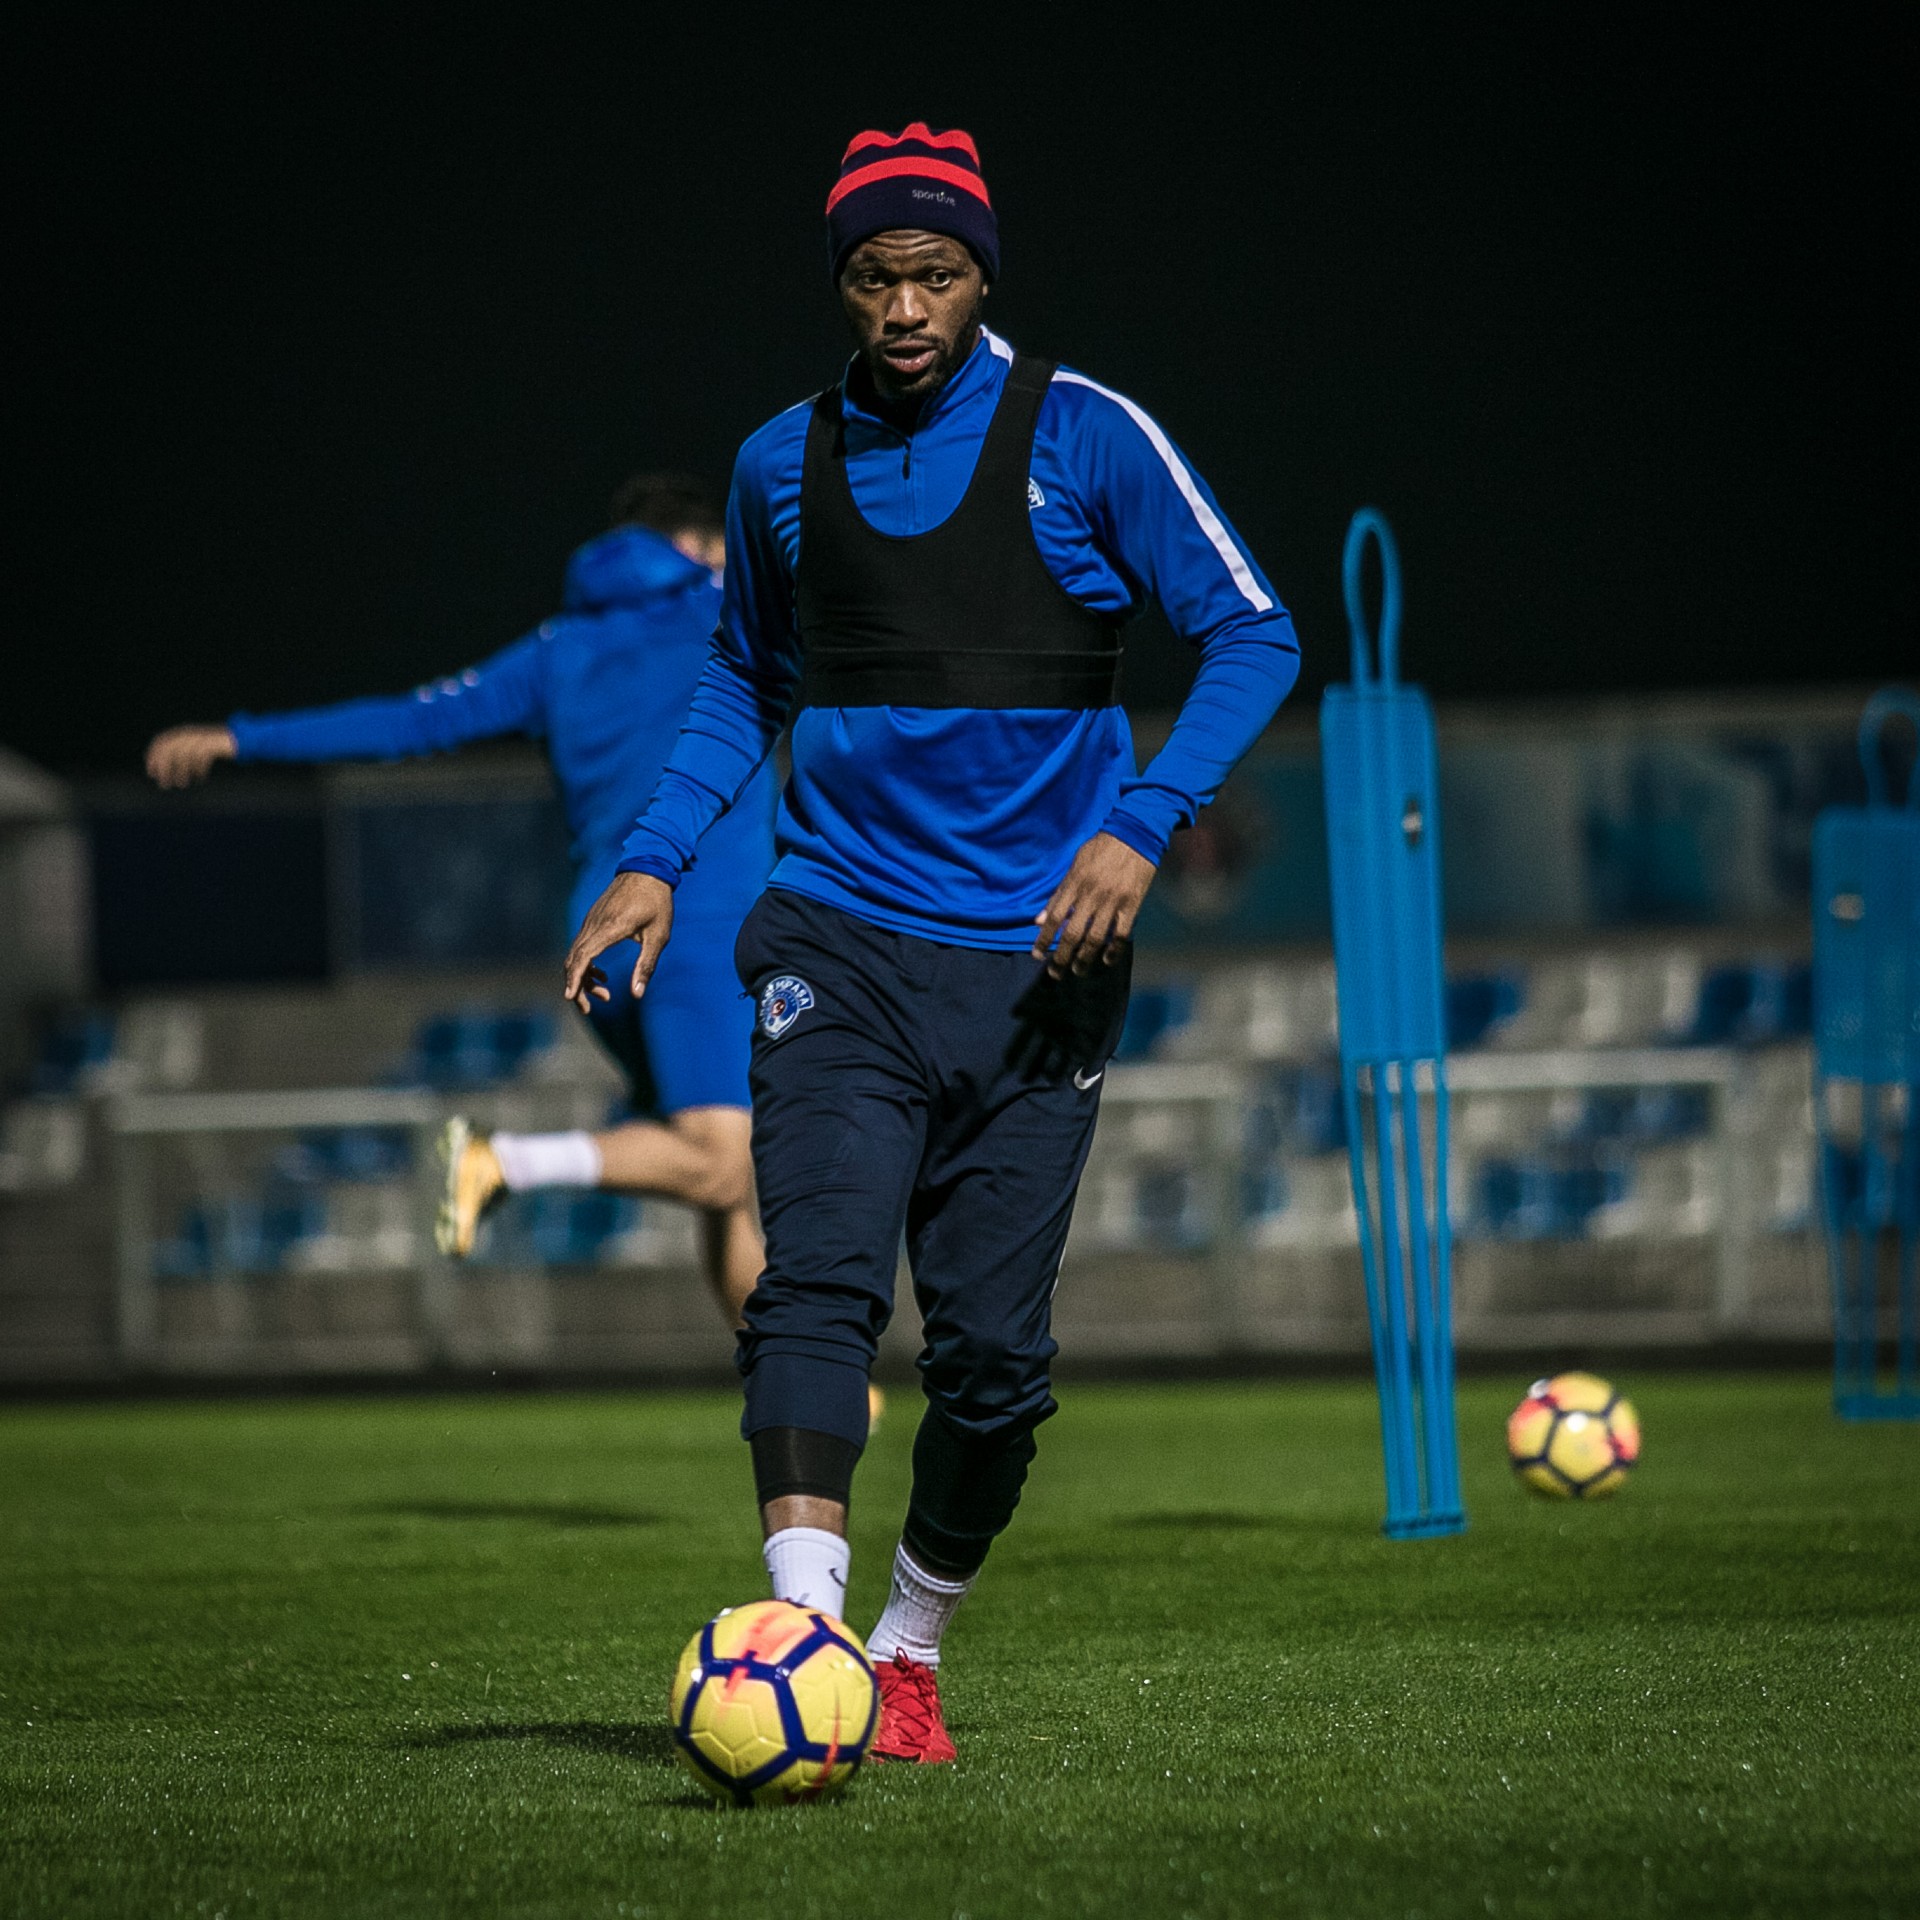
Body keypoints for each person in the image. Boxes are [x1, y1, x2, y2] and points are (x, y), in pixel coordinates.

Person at [564, 124, 1301, 1761]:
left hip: (1041, 970)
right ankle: (805, 1633)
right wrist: (653, 860)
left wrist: (1141, 822)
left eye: (937, 273)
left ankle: (908, 1643)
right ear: (840, 281)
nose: (904, 306)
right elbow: (744, 678)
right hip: (837, 937)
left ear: (982, 276)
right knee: (815, 1282)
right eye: (874, 276)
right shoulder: (779, 462)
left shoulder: (1089, 436)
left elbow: (1257, 632)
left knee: (990, 1363)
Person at [145, 474, 775, 1325]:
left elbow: (411, 721)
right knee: (722, 1165)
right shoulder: (728, 607)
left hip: (599, 932)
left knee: (714, 1185)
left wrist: (241, 736)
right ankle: (504, 1162)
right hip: (695, 921)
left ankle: (802, 1386)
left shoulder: (559, 649)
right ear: (698, 548)